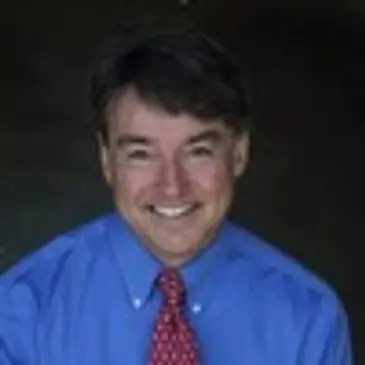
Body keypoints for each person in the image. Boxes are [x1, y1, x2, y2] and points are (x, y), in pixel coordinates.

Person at [0, 25, 352, 365]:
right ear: (107, 160)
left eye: (198, 151)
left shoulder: (308, 318)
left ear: (239, 152)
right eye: (141, 154)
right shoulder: (22, 309)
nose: (171, 186)